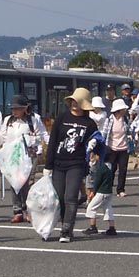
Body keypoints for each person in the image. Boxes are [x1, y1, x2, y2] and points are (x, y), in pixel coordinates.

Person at [44, 87, 98, 243]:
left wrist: (94, 148)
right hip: (59, 163)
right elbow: (53, 142)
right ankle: (63, 223)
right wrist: (48, 166)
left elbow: (96, 143)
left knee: (71, 196)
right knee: (59, 197)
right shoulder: (62, 118)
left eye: (78, 102)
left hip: (76, 164)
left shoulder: (89, 124)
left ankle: (67, 230)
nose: (75, 104)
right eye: (73, 101)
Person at [0, 94, 49, 223]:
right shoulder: (8, 120)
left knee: (26, 182)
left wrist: (32, 140)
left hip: (28, 155)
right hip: (12, 156)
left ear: (24, 108)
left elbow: (41, 135)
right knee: (14, 182)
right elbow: (1, 138)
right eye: (12, 109)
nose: (14, 111)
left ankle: (28, 210)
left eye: (17, 108)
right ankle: (17, 211)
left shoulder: (33, 119)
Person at [101, 98, 131, 197]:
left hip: (124, 148)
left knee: (123, 170)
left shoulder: (125, 119)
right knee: (111, 169)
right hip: (112, 148)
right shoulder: (109, 120)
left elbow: (129, 131)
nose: (124, 110)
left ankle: (120, 189)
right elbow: (104, 133)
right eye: (123, 109)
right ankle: (108, 188)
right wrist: (102, 146)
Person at [84, 152, 117, 236]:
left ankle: (93, 227)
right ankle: (112, 228)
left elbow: (97, 182)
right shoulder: (110, 167)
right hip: (109, 192)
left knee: (91, 208)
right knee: (108, 209)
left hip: (101, 192)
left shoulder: (101, 168)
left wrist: (93, 192)